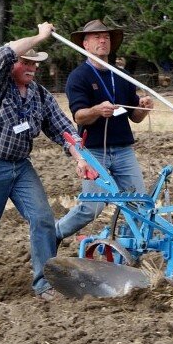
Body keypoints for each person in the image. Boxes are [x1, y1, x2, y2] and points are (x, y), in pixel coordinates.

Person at [0, 22, 92, 300]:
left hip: (20, 167)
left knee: (43, 219)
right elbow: (4, 53)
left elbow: (63, 129)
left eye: (35, 64)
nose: (32, 68)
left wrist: (79, 157)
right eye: (26, 62)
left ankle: (45, 284)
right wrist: (41, 36)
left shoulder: (39, 94)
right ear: (14, 64)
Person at [54, 19, 154, 242]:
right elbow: (79, 116)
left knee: (140, 203)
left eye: (106, 37)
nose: (103, 40)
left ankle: (128, 246)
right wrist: (98, 110)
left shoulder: (122, 75)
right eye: (97, 37)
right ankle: (55, 233)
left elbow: (135, 117)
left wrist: (144, 108)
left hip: (124, 150)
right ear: (85, 44)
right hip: (94, 151)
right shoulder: (78, 77)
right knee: (92, 208)